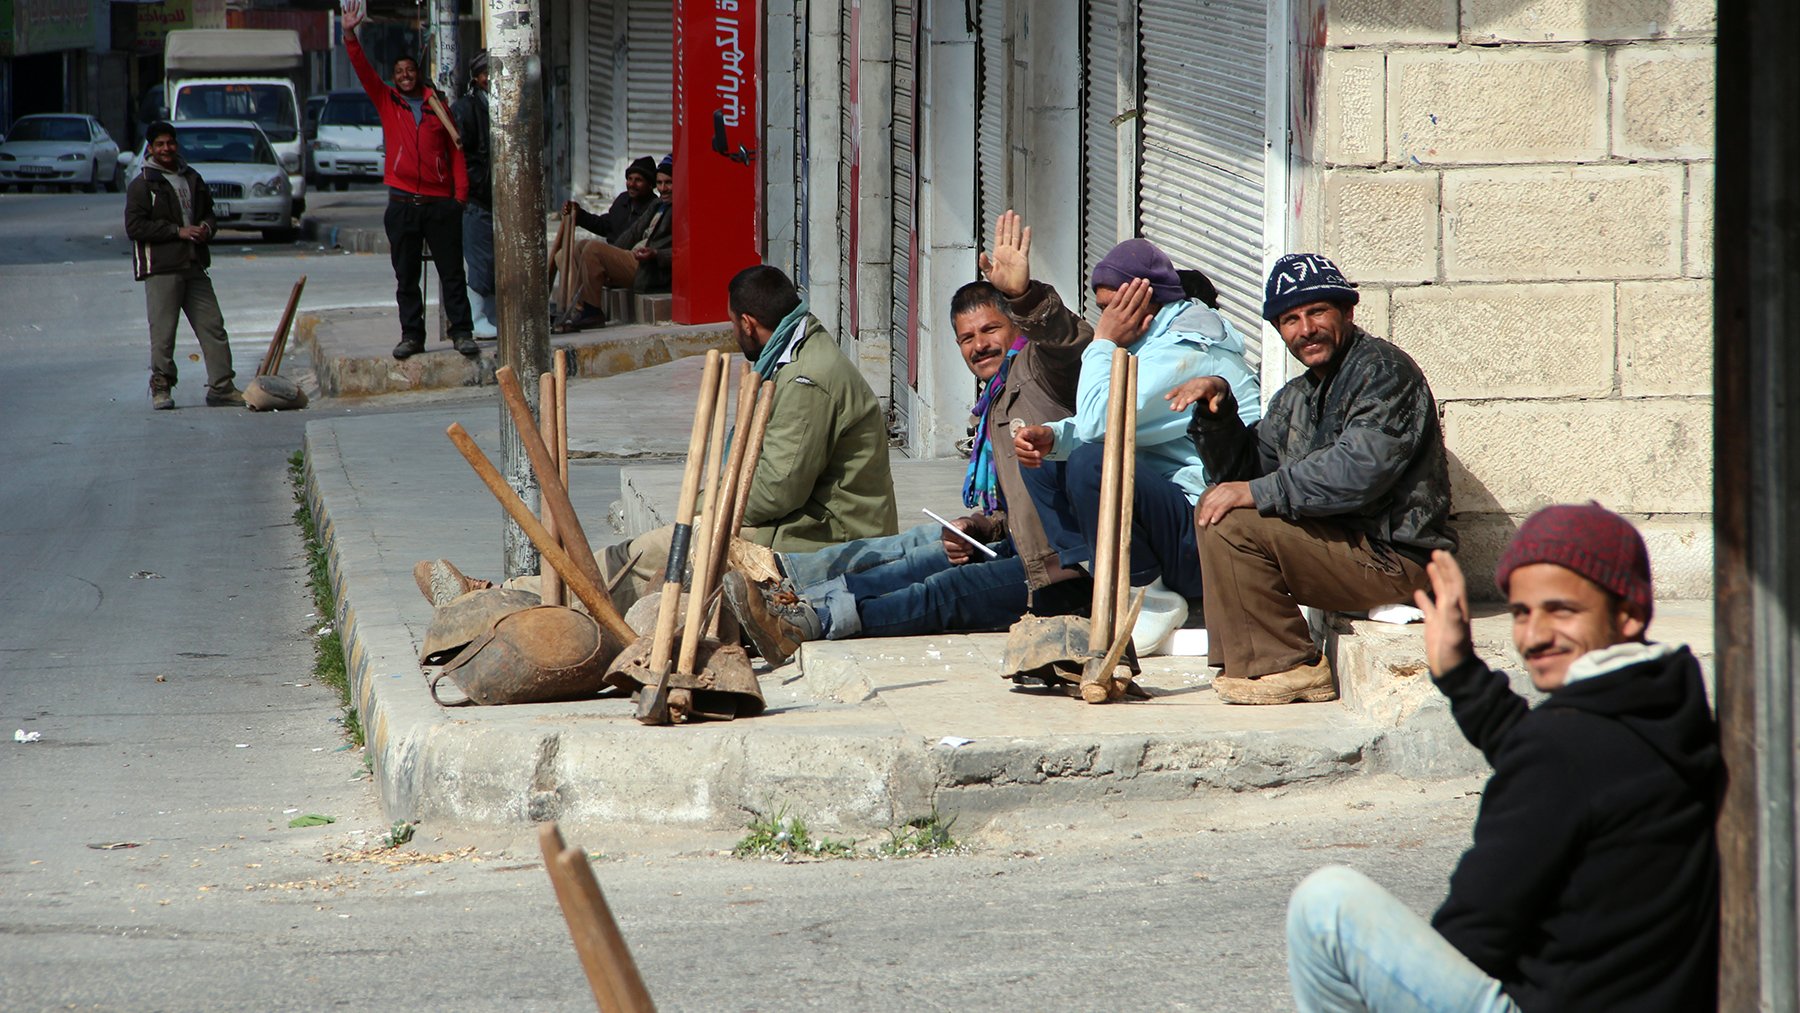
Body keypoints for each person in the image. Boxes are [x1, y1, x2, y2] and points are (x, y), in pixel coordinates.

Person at [1286, 503, 1721, 1012]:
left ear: (1627, 612)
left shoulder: (1563, 752)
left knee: (1326, 907)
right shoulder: (1670, 711)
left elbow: (1473, 937)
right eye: (1521, 612)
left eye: (1561, 610)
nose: (1533, 635)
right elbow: (1559, 761)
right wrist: (1460, 672)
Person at [720, 212, 1095, 663]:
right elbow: (1023, 507)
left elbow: (1073, 345)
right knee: (919, 556)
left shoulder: (1042, 371)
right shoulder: (998, 394)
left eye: (991, 330)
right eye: (966, 338)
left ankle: (810, 624)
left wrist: (1023, 294)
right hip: (1018, 546)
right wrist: (979, 525)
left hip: (1060, 573)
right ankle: (789, 606)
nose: (979, 346)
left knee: (936, 592)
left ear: (1014, 325)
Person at [1172, 253, 1454, 705]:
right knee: (1217, 504)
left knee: (1233, 519)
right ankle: (1255, 664)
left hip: (1398, 558)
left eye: (1317, 312)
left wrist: (1256, 491)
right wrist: (1218, 413)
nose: (1305, 330)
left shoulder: (1382, 370)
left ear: (1347, 312)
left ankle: (1288, 666)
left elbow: (1359, 470)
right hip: (1347, 549)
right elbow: (1242, 473)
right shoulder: (1297, 396)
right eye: (1290, 319)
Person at [602, 264, 897, 607]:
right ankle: (555, 590)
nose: (734, 332)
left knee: (668, 548)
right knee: (659, 548)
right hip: (810, 520)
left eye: (732, 323)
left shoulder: (807, 377)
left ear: (747, 323)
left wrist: (704, 507)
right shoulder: (795, 356)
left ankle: (564, 596)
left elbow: (777, 489)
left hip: (830, 535)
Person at [1012, 238, 1260, 608]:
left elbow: (1099, 425)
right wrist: (1053, 437)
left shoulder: (1190, 352)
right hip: (1170, 519)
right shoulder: (1150, 343)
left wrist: (1103, 340)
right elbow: (1102, 421)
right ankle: (1094, 576)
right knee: (1042, 452)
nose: (1108, 318)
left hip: (1208, 534)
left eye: (1116, 307)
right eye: (1103, 310)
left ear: (1149, 301)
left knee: (1089, 462)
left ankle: (1149, 600)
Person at [342, 1, 476, 360]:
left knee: (451, 274)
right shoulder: (388, 101)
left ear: (417, 74)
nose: (404, 75)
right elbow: (362, 68)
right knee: (406, 277)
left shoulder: (438, 107)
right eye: (399, 71)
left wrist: (459, 197)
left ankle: (462, 332)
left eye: (409, 70)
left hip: (440, 205)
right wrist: (349, 33)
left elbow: (455, 152)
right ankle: (411, 336)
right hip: (402, 204)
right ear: (395, 76)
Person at [125, 121, 243, 410]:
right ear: (151, 148)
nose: (166, 149)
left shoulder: (191, 177)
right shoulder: (143, 185)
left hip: (194, 265)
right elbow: (135, 227)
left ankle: (222, 388)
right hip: (162, 268)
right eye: (160, 145)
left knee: (213, 327)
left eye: (171, 143)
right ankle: (161, 388)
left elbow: (209, 214)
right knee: (163, 334)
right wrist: (177, 231)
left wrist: (204, 227)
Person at [556, 156, 675, 329]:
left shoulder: (680, 208)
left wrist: (656, 254)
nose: (663, 189)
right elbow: (631, 233)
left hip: (648, 268)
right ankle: (579, 309)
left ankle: (592, 313)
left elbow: (685, 251)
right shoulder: (655, 205)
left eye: (669, 183)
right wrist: (610, 260)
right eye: (660, 183)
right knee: (582, 247)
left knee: (593, 249)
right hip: (633, 258)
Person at [451, 50, 496, 339]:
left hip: (498, 199)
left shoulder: (502, 104)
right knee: (480, 260)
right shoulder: (467, 109)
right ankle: (477, 318)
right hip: (477, 199)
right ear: (478, 78)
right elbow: (460, 155)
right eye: (488, 72)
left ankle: (490, 316)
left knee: (494, 261)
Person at [564, 156, 658, 246]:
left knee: (591, 249)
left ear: (650, 184)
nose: (632, 184)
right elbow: (605, 225)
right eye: (629, 179)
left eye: (638, 180)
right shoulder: (623, 199)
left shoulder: (655, 208)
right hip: (612, 252)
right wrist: (579, 214)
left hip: (633, 256)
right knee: (579, 247)